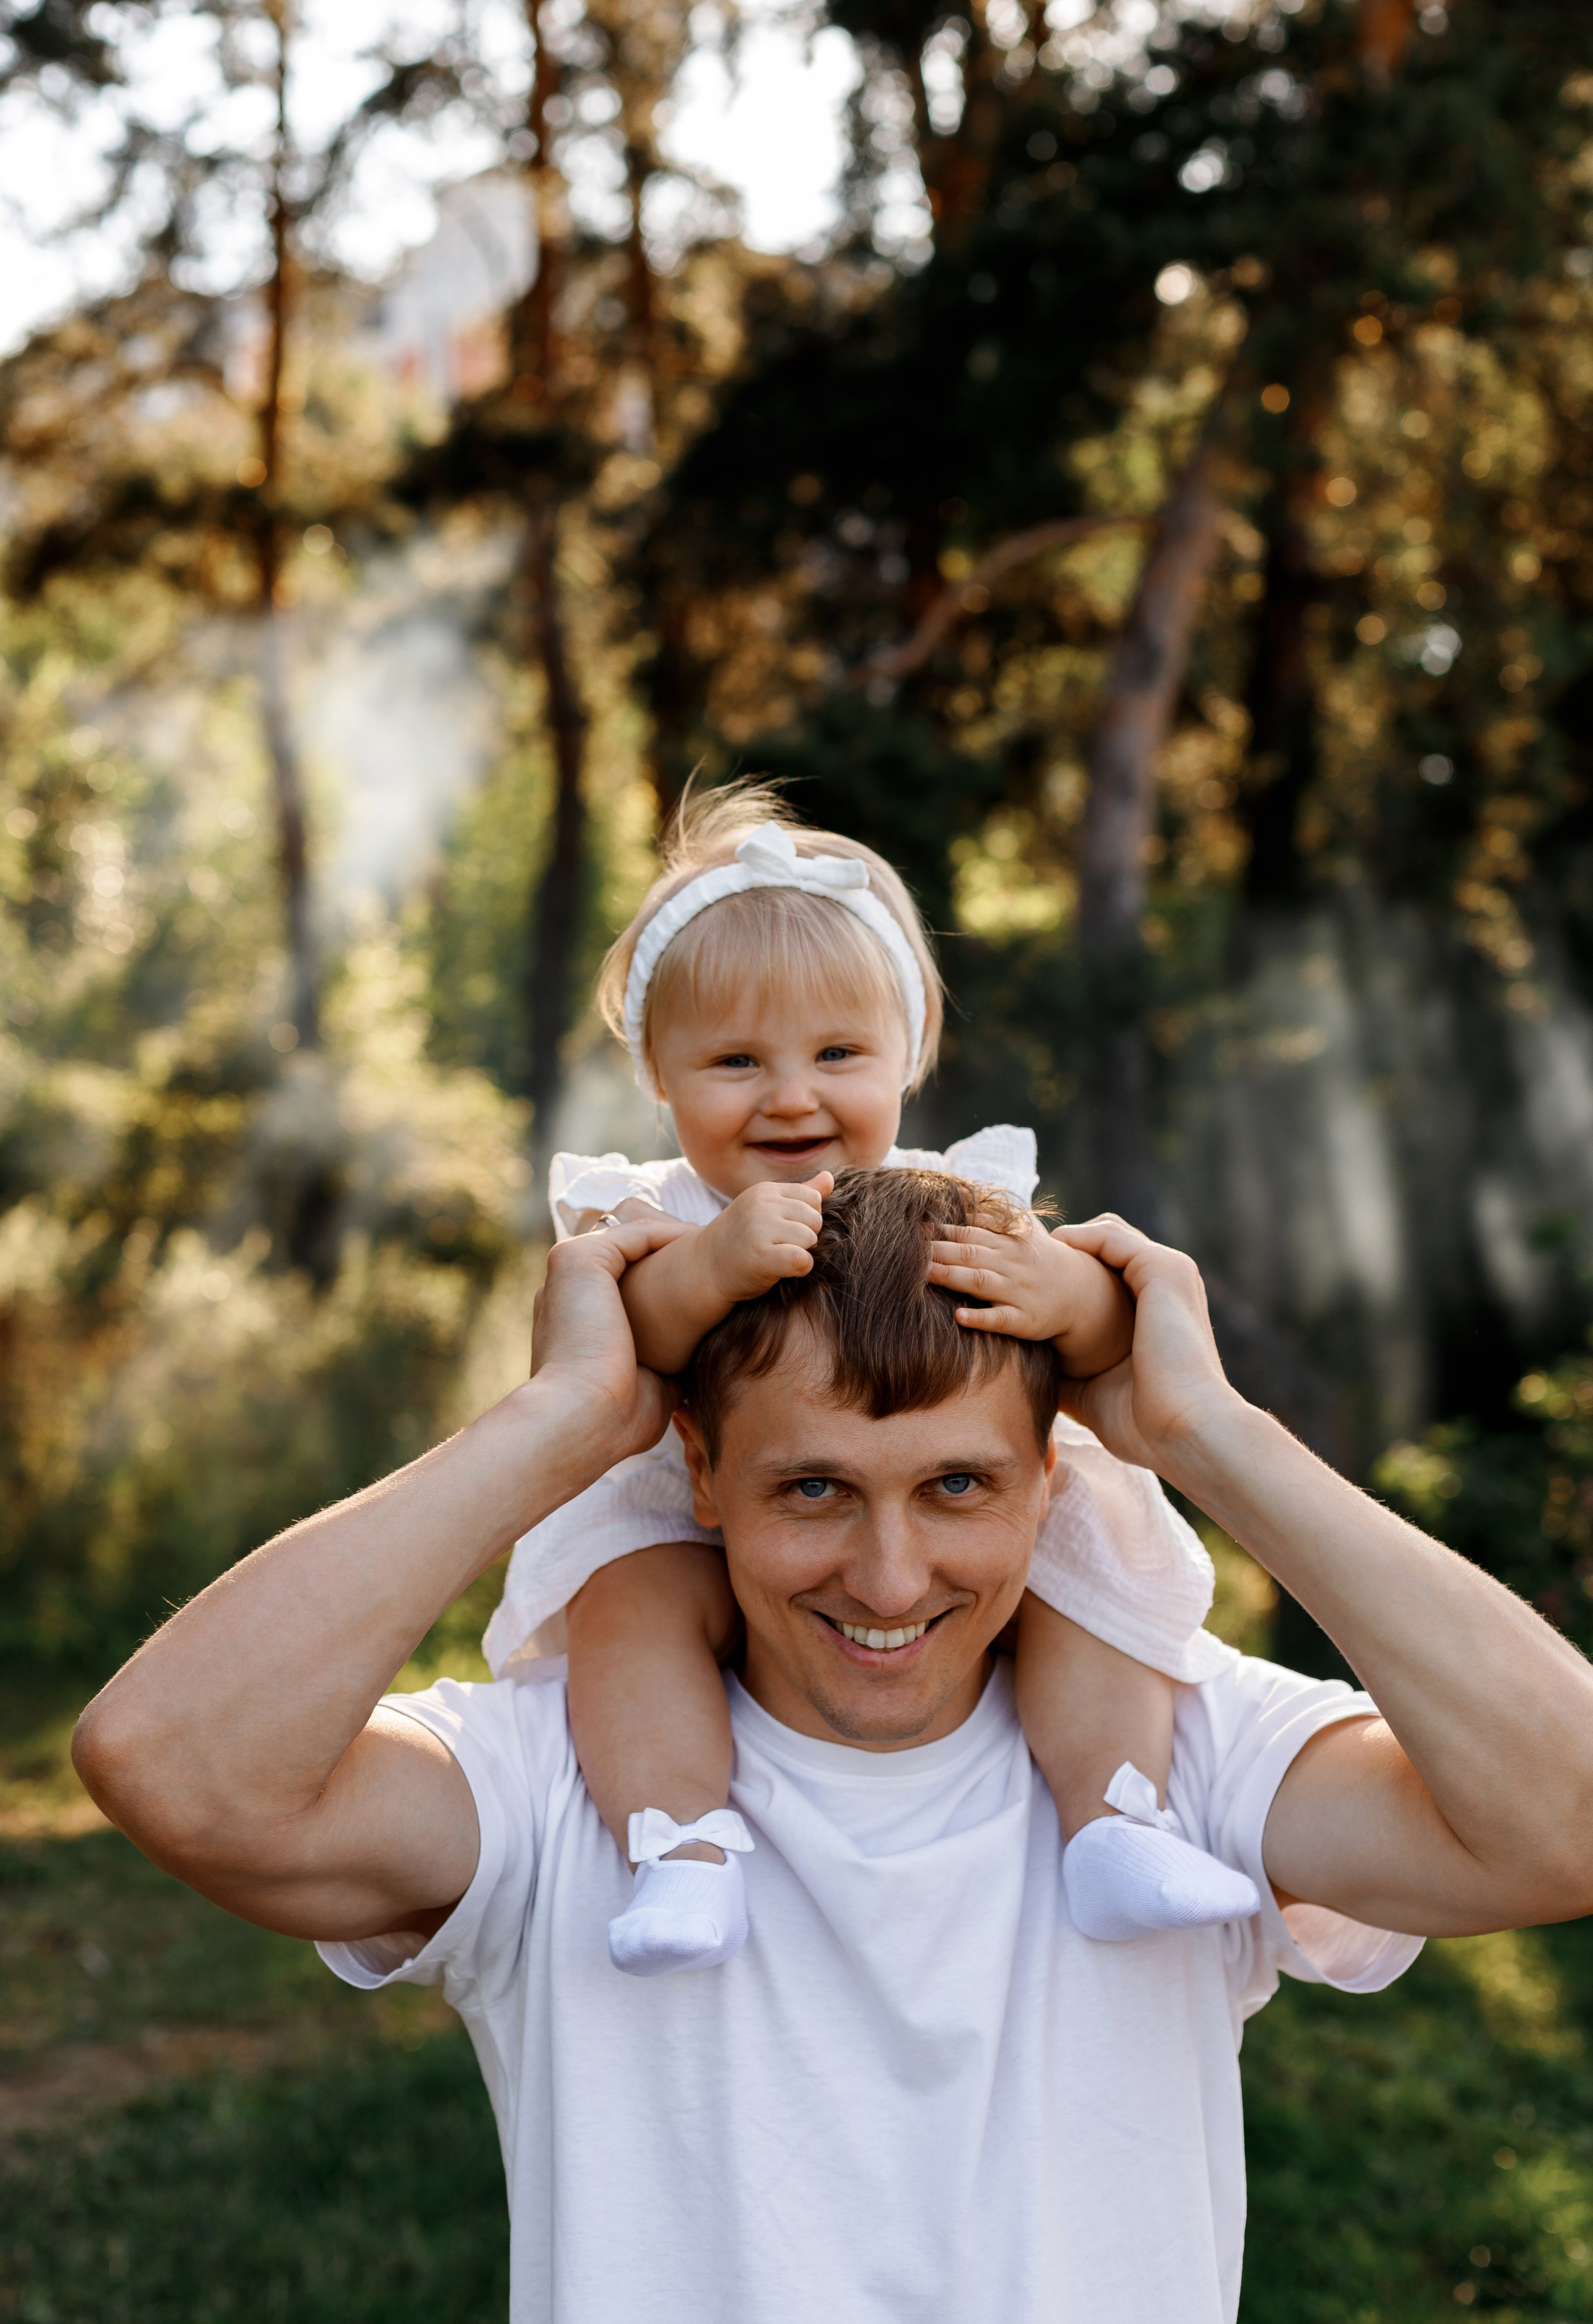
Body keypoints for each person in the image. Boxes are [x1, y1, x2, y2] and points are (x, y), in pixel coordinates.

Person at [73, 1169, 1593, 2323]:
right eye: (813, 1490)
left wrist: (1205, 1435)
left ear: (1050, 1484)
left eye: (955, 1489)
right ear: (701, 1474)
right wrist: (559, 1417)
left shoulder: (1179, 1756)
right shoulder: (558, 1779)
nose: (885, 1579)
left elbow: (1566, 1817)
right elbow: (174, 1765)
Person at [491, 779, 1254, 1976]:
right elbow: (621, 1333)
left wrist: (1069, 1299)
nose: (791, 1094)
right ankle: (681, 1844)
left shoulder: (958, 1195)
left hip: (934, 1496)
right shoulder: (655, 1213)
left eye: (837, 1053)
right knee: (628, 1611)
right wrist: (706, 1269)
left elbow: (1105, 1334)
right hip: (670, 1503)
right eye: (736, 1060)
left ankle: (1115, 1819)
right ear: (659, 1075)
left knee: (1087, 1581)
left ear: (906, 1058)